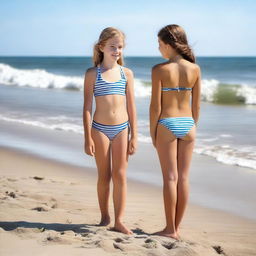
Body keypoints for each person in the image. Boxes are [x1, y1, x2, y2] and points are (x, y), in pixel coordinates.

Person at [83, 27, 137, 235]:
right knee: (104, 175)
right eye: (112, 46)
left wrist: (135, 135)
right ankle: (105, 216)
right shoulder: (92, 74)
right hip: (100, 129)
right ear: (101, 47)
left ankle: (119, 220)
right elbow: (87, 108)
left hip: (122, 128)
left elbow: (131, 107)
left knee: (120, 175)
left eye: (120, 47)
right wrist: (87, 137)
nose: (117, 50)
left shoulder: (126, 73)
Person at [150, 24, 201, 240]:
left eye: (160, 44)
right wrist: (192, 126)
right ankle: (176, 229)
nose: (159, 49)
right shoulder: (195, 69)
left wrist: (153, 132)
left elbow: (155, 107)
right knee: (184, 178)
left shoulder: (159, 70)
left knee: (170, 178)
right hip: (189, 124)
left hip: (167, 123)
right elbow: (196, 106)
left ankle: (169, 228)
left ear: (169, 45)